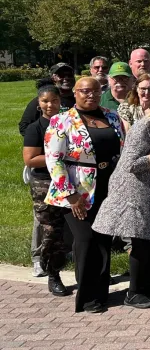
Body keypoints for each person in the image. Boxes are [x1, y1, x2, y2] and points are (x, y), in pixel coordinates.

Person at [92, 94, 150, 309]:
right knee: (141, 243)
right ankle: (134, 293)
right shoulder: (144, 127)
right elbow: (131, 164)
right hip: (134, 191)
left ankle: (148, 285)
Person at [44, 77, 125, 313]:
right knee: (86, 239)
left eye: (96, 91)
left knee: (103, 240)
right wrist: (71, 195)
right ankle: (87, 296)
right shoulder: (62, 120)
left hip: (108, 187)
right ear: (75, 93)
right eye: (85, 91)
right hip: (77, 191)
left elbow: (121, 147)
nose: (91, 95)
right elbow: (54, 160)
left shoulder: (111, 115)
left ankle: (101, 293)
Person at [22, 82, 69, 294]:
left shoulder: (69, 124)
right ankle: (53, 273)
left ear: (61, 102)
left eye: (55, 100)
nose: (50, 105)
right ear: (39, 104)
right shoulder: (36, 128)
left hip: (72, 179)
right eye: (45, 101)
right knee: (52, 230)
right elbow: (31, 159)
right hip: (45, 183)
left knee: (76, 227)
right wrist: (61, 157)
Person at [19, 63, 76, 135]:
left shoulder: (80, 99)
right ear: (53, 78)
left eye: (70, 75)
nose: (66, 78)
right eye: (61, 75)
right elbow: (24, 127)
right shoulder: (41, 101)